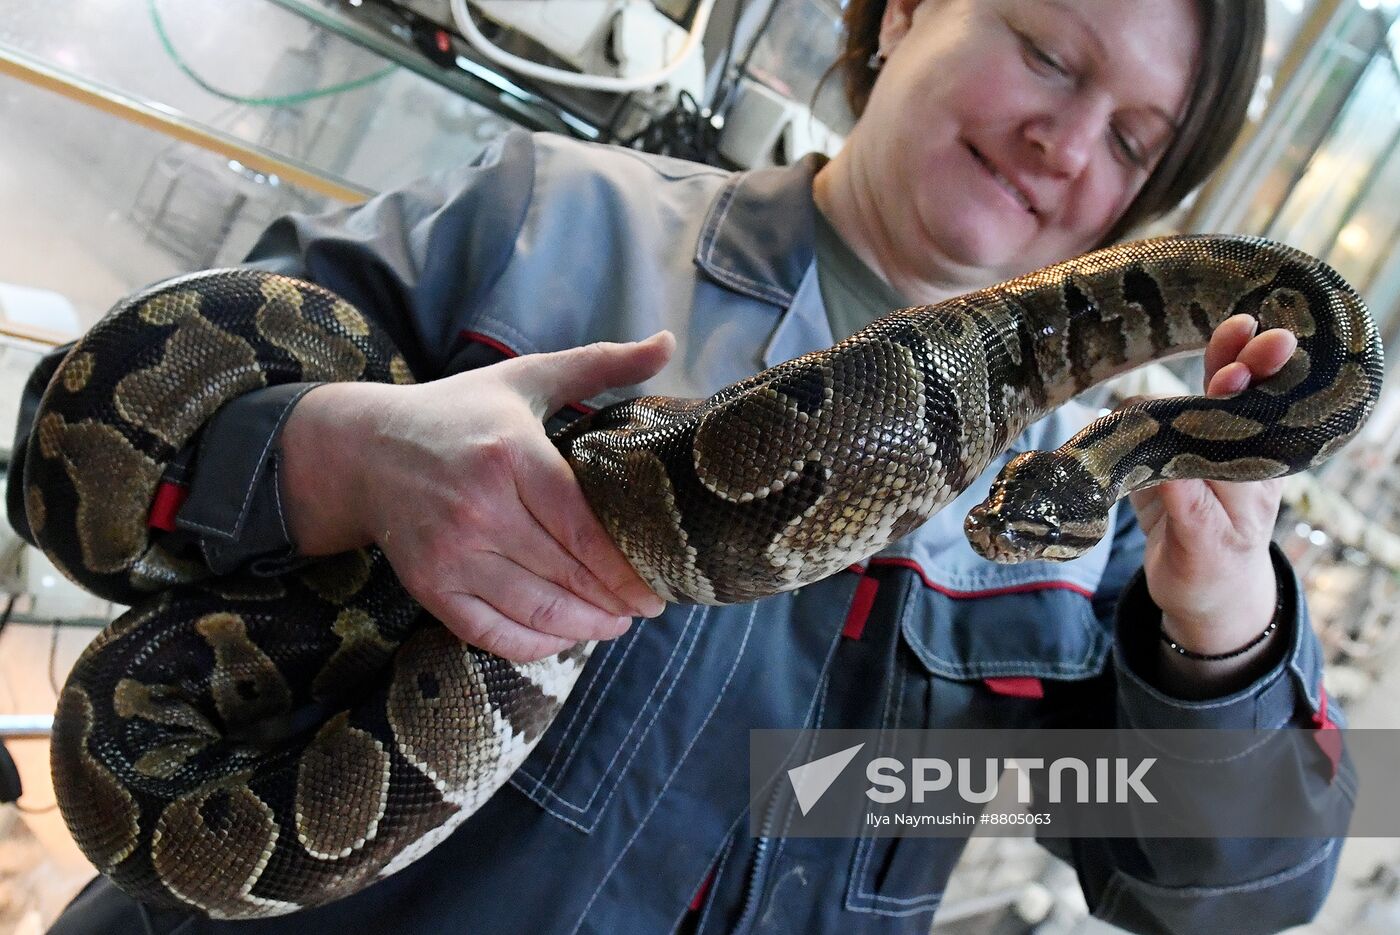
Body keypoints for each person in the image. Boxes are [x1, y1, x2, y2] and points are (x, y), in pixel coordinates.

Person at [14, 0, 1348, 932]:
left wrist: (1228, 627)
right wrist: (333, 461)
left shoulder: (1100, 534)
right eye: (1049, 50)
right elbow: (69, 474)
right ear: (902, 9)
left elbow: (1236, 892)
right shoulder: (541, 224)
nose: (1067, 140)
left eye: (1132, 142)